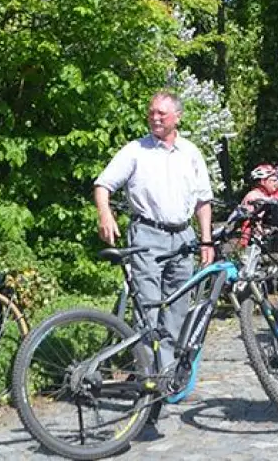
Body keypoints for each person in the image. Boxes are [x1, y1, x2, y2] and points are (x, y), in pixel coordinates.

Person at [93, 91, 215, 373]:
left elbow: (203, 200)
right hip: (147, 236)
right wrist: (105, 214)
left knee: (178, 309)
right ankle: (147, 375)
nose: (155, 118)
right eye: (152, 112)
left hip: (183, 238)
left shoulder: (190, 153)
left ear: (177, 117)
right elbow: (103, 185)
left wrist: (206, 240)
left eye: (162, 113)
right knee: (146, 309)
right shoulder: (136, 150)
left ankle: (168, 373)